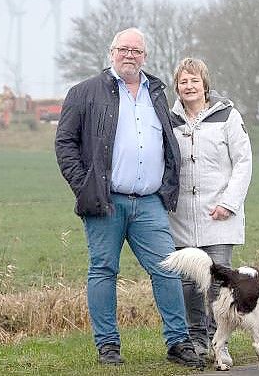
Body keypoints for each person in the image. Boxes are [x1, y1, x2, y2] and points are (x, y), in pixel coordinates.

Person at [55, 28, 205, 368]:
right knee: (103, 270)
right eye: (123, 49)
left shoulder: (156, 93)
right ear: (111, 53)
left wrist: (167, 183)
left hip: (150, 201)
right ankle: (108, 345)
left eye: (136, 51)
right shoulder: (84, 92)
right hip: (104, 200)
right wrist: (85, 186)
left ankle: (178, 343)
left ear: (145, 57)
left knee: (168, 269)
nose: (129, 55)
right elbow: (65, 143)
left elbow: (167, 142)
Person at [168, 57, 253, 364]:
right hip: (182, 216)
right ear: (176, 87)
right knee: (188, 281)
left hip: (219, 214)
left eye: (194, 81)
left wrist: (228, 203)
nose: (189, 86)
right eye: (183, 81)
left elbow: (243, 162)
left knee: (219, 282)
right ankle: (195, 339)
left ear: (205, 84)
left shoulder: (227, 116)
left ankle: (219, 341)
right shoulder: (170, 119)